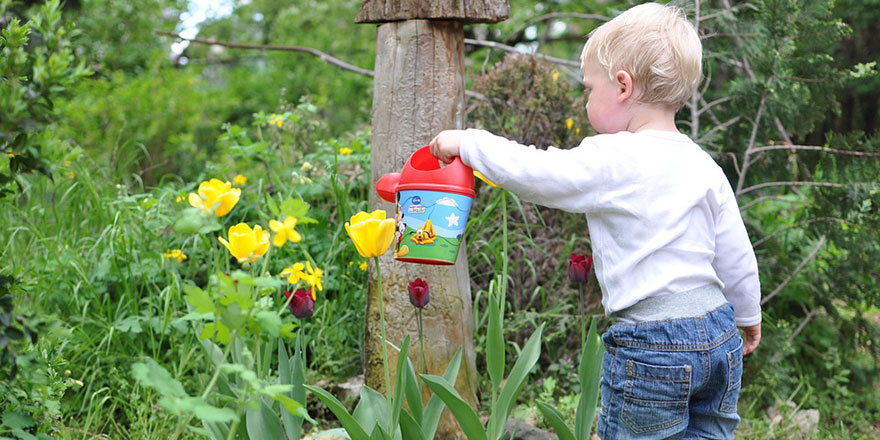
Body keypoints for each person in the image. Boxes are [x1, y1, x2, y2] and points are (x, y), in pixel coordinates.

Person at [429, 2, 761, 439]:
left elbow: (536, 172)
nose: (585, 98)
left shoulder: (613, 157)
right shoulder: (703, 164)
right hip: (718, 333)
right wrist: (749, 314)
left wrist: (467, 142)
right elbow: (735, 251)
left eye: (589, 88)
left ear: (622, 86)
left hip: (653, 343)